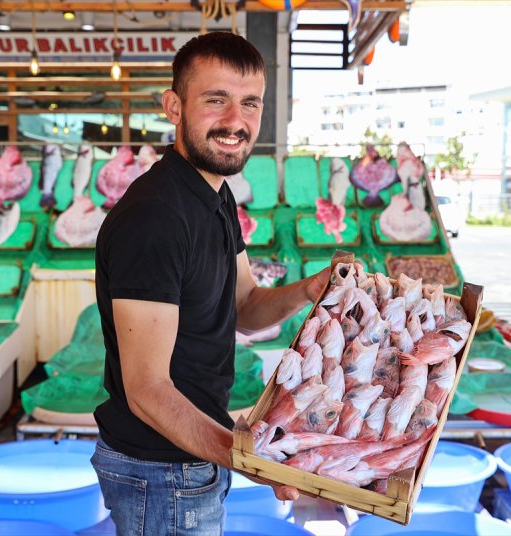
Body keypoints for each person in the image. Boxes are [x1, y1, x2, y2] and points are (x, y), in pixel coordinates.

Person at [91, 32, 329, 536]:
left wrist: (310, 290)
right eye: (216, 100)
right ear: (174, 107)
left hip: (194, 455)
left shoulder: (215, 196)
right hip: (158, 471)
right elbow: (147, 391)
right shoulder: (155, 217)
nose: (235, 121)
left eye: (250, 103)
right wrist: (252, 460)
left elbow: (245, 306)